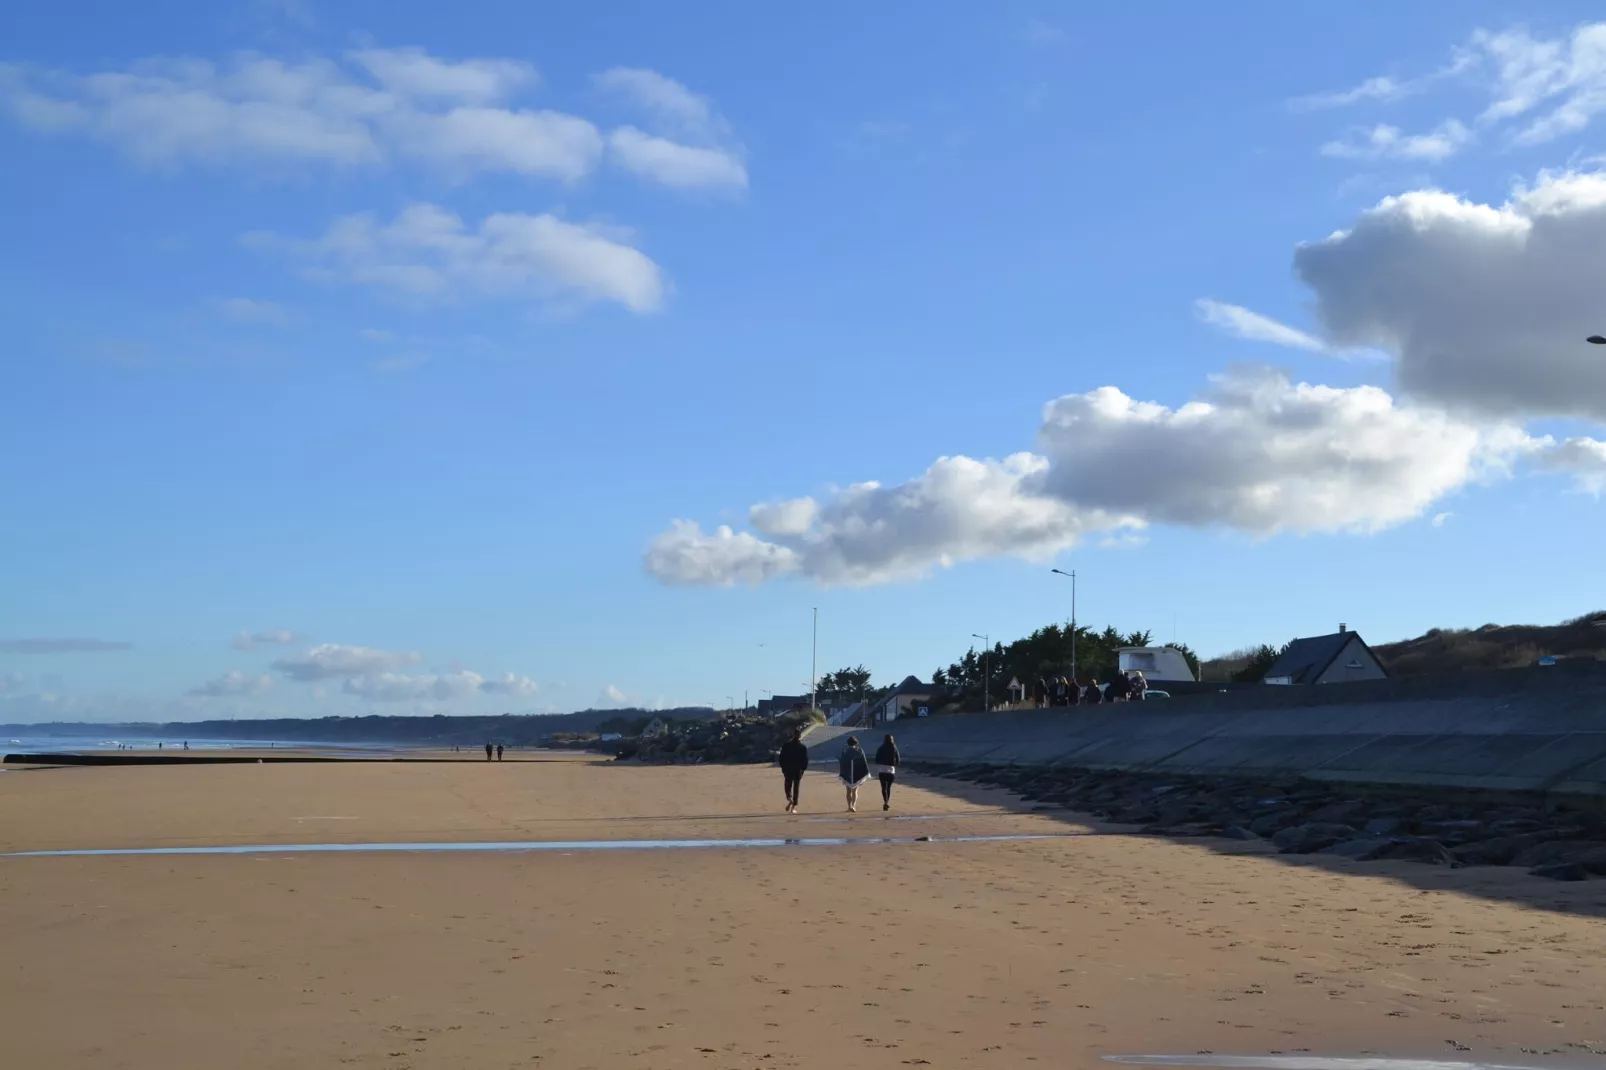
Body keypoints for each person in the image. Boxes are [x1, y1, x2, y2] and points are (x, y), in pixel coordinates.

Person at [778, 728, 810, 813]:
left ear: (793, 735)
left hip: (788, 769)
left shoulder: (786, 746)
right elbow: (805, 761)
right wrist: (803, 770)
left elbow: (781, 759)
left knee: (787, 786)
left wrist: (783, 769)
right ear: (799, 736)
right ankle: (793, 807)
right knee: (796, 788)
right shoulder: (803, 747)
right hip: (798, 770)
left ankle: (789, 798)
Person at [838, 736, 872, 812]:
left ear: (848, 743)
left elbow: (842, 762)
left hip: (847, 774)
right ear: (856, 743)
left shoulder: (845, 751)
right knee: (855, 791)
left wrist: (842, 773)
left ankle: (849, 807)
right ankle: (854, 806)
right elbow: (864, 762)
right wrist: (865, 772)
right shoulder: (860, 751)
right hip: (857, 773)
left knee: (848, 791)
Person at [874, 734, 900, 811]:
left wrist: (881, 762)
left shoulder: (881, 748)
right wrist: (894, 764)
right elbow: (898, 759)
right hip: (891, 770)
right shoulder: (894, 747)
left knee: (883, 787)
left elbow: (876, 759)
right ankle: (886, 802)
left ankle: (885, 801)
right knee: (888, 787)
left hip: (882, 769)